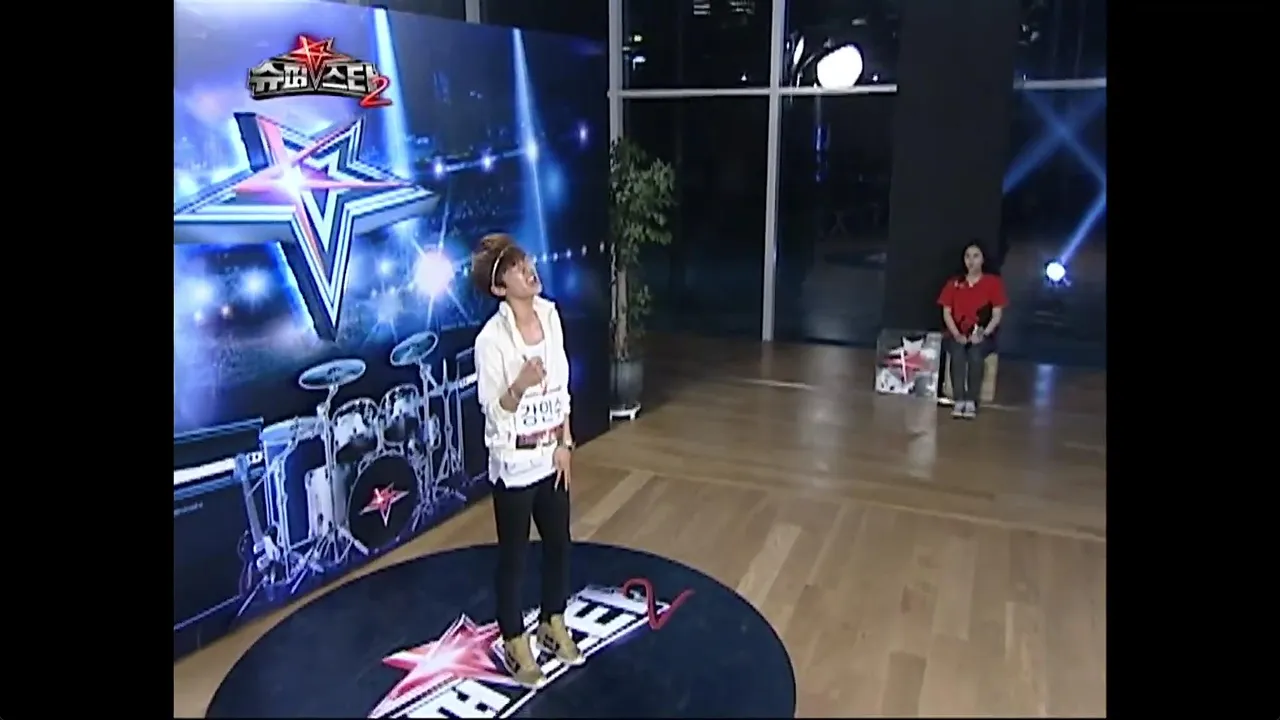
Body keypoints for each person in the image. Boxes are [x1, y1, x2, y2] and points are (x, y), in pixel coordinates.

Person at [471, 233, 582, 687]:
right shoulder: (490, 341)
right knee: (514, 557)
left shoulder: (551, 316)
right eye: (516, 268)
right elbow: (494, 410)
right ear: (500, 287)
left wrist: (565, 442)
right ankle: (514, 639)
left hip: (552, 456)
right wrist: (519, 385)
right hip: (515, 465)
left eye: (526, 262)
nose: (528, 270)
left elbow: (562, 387)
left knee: (559, 543)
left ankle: (552, 622)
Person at [938, 242, 1008, 419]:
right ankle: (959, 399)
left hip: (983, 334)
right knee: (957, 352)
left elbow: (997, 315)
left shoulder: (993, 283)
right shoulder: (954, 283)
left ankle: (971, 400)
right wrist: (956, 334)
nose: (971, 260)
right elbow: (946, 312)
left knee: (975, 354)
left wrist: (983, 334)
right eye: (967, 256)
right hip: (956, 333)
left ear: (983, 259)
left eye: (975, 256)